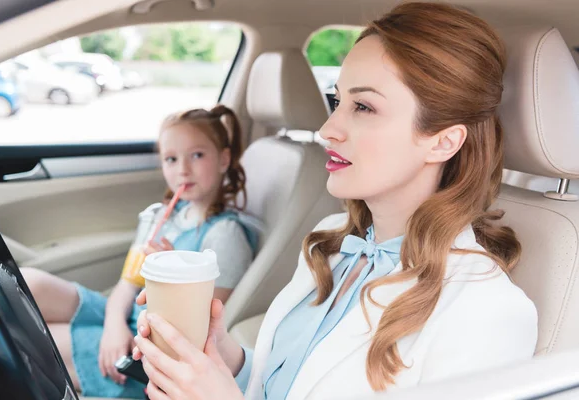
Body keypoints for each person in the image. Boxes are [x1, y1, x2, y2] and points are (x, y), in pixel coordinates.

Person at [132, 3, 538, 400]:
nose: (328, 129)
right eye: (338, 101)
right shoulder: (329, 242)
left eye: (363, 106)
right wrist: (223, 357)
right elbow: (298, 382)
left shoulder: (488, 312)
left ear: (443, 141)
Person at [21, 104, 259, 399]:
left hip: (151, 345)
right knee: (26, 283)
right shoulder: (160, 216)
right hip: (125, 315)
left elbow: (199, 329)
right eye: (171, 159)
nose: (182, 168)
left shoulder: (225, 235)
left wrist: (176, 271)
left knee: (29, 339)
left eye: (197, 155)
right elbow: (127, 283)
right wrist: (112, 326)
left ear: (224, 159)